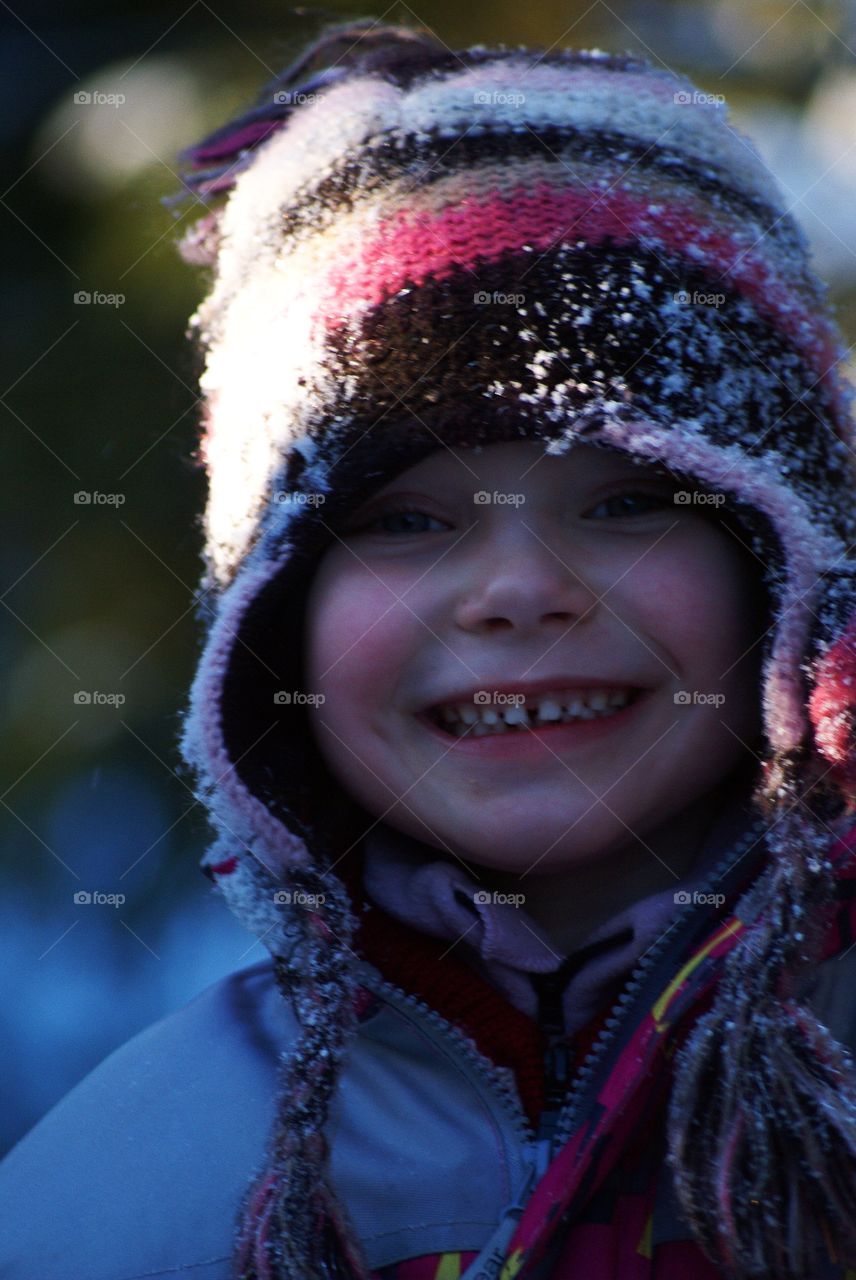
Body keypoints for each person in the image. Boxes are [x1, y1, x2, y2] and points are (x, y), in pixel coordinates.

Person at [4, 17, 856, 1280]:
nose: (519, 587)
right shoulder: (142, 1181)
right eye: (404, 519)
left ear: (788, 569)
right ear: (272, 613)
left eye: (628, 501)